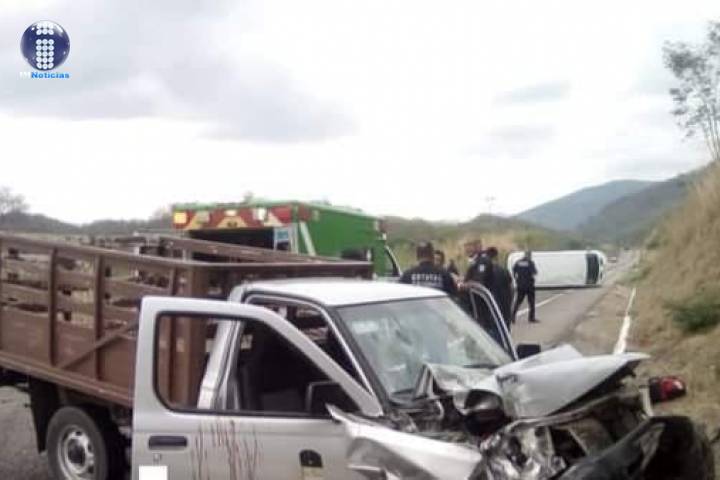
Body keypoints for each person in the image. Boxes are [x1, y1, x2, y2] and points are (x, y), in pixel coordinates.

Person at [486, 247, 514, 328]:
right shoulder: (504, 270)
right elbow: (511, 288)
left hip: (490, 307)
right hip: (504, 306)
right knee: (504, 329)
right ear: (496, 256)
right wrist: (509, 301)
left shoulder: (485, 272)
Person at [512, 250, 539, 323]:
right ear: (529, 255)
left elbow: (514, 270)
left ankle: (512, 317)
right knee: (531, 302)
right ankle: (531, 318)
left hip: (520, 285)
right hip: (529, 285)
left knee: (518, 302)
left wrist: (516, 279)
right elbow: (534, 272)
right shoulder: (530, 263)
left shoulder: (518, 262)